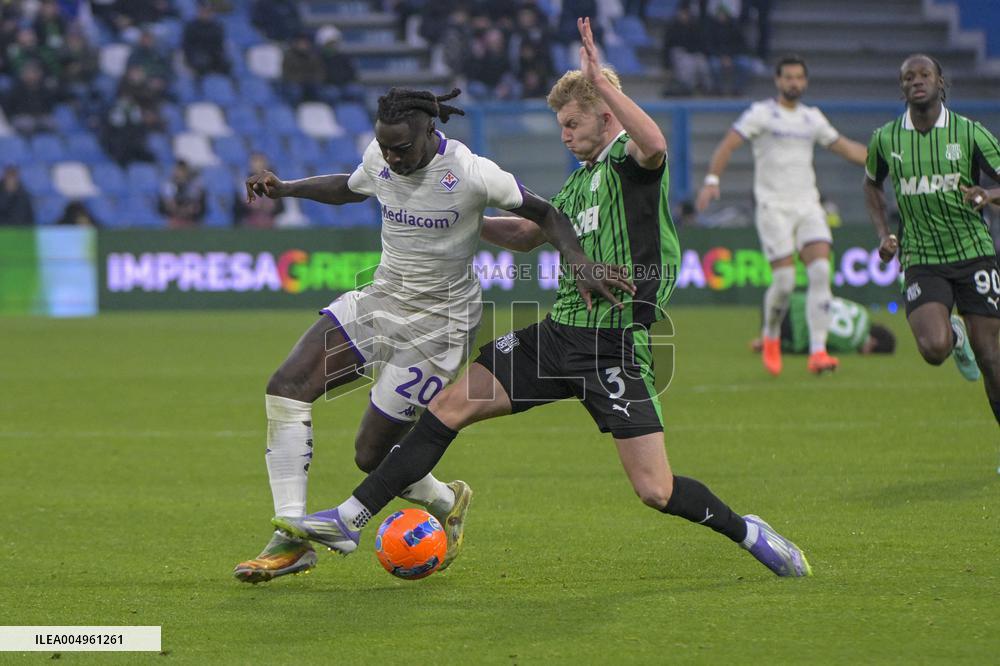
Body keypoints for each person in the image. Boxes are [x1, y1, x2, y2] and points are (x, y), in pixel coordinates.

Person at [273, 18, 813, 580]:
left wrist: (601, 83)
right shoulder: (578, 185)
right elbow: (530, 234)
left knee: (655, 490)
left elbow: (655, 144)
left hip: (612, 348)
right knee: (446, 409)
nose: (564, 133)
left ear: (605, 115)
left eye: (572, 122)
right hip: (555, 338)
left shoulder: (632, 165)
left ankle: (747, 531)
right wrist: (462, 214)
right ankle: (350, 518)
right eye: (560, 124)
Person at [233, 86, 626, 583]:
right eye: (386, 147)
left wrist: (579, 262)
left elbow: (546, 214)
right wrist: (286, 188)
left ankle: (446, 500)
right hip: (381, 300)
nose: (393, 158)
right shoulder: (380, 156)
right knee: (287, 386)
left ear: (430, 131)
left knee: (371, 456)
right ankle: (291, 537)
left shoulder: (472, 172)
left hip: (439, 327)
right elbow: (351, 186)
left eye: (403, 148)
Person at [696, 55, 868, 376]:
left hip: (808, 205)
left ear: (805, 82)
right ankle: (771, 335)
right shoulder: (762, 113)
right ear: (777, 81)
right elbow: (728, 145)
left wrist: (883, 164)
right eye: (788, 77)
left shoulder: (811, 118)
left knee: (819, 273)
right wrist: (711, 181)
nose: (794, 83)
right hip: (773, 206)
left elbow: (845, 148)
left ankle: (818, 352)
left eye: (799, 78)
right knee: (786, 281)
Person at [864, 54, 1000, 432]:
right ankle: (954, 335)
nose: (916, 81)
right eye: (908, 77)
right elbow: (872, 184)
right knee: (933, 349)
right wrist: (883, 234)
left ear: (941, 83)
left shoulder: (970, 132)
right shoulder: (886, 138)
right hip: (921, 256)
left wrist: (988, 195)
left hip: (974, 254)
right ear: (902, 87)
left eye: (925, 74)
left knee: (990, 357)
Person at [750, 294, 896, 356]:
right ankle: (766, 342)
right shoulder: (851, 346)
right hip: (789, 329)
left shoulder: (861, 311)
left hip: (790, 301)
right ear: (874, 342)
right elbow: (812, 348)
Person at [158, 160, 206, 228]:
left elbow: (195, 205)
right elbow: (169, 204)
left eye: (182, 171)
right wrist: (180, 211)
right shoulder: (169, 184)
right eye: (178, 170)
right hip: (174, 218)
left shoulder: (194, 184)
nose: (179, 173)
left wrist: (187, 210)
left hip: (192, 219)